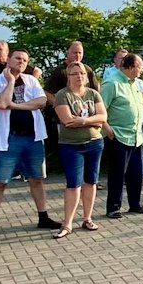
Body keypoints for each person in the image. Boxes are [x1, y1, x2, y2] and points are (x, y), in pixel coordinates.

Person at [0, 49, 62, 241]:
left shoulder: (31, 80)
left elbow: (41, 101)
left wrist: (15, 105)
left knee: (36, 179)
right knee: (0, 181)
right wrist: (9, 83)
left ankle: (43, 217)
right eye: (18, 58)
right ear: (8, 60)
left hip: (33, 138)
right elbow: (0, 103)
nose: (21, 62)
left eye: (25, 60)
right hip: (9, 139)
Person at [51, 61, 107, 237]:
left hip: (94, 143)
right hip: (71, 146)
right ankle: (67, 224)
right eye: (74, 73)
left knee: (91, 181)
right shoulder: (62, 95)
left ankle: (87, 218)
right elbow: (67, 120)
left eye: (81, 73)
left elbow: (103, 116)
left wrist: (82, 121)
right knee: (74, 183)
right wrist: (93, 120)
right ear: (68, 77)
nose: (79, 77)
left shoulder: (93, 94)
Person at [101, 51, 143, 219]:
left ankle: (135, 204)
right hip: (118, 136)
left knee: (136, 173)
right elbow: (100, 110)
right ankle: (113, 207)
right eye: (140, 67)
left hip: (135, 136)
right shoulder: (112, 83)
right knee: (117, 173)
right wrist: (108, 131)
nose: (142, 70)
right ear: (130, 67)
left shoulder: (134, 83)